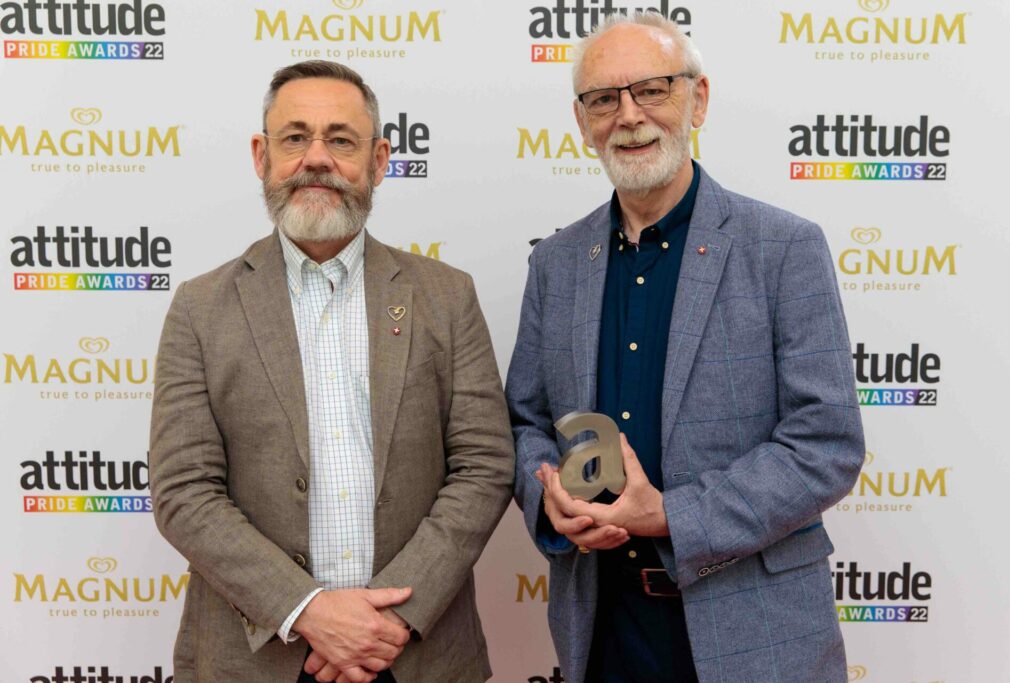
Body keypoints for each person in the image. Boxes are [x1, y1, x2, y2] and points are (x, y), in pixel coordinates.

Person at [506, 14, 865, 683]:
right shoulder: (555, 263)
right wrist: (547, 493)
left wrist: (673, 514)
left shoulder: (784, 248)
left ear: (697, 100)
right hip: (602, 628)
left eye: (652, 90)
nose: (630, 115)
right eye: (604, 99)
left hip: (758, 632)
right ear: (582, 124)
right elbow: (525, 421)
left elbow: (826, 445)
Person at [150, 60, 514, 683]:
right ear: (262, 155)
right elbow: (184, 491)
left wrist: (387, 620)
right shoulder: (200, 306)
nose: (316, 158)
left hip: (414, 654)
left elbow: (484, 465)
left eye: (340, 140)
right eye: (295, 138)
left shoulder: (446, 296)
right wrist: (308, 611)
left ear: (378, 161)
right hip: (257, 659)